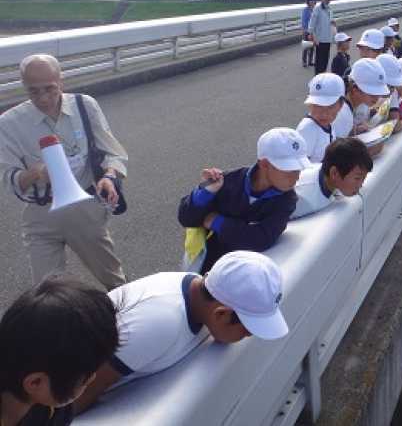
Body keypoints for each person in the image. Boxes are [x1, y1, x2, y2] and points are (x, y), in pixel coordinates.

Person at [74, 251, 289, 414]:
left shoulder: (199, 288)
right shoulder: (159, 324)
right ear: (221, 315)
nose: (249, 336)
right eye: (249, 328)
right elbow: (80, 392)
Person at [0, 54, 128, 290]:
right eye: (33, 91)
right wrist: (35, 173)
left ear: (61, 81)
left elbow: (113, 152)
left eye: (49, 88)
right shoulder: (9, 123)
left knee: (113, 280)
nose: (43, 98)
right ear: (24, 87)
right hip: (41, 214)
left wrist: (110, 176)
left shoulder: (84, 105)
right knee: (48, 291)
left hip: (85, 209)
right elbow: (9, 179)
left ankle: (127, 318)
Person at [177, 128, 309, 273]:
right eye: (290, 170)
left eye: (299, 169)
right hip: (203, 265)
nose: (297, 177)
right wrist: (206, 192)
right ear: (264, 164)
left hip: (239, 273)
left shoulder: (287, 200)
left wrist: (218, 222)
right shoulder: (228, 180)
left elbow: (261, 239)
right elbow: (186, 218)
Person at [0, 276, 119, 426]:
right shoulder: (49, 406)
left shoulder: (52, 410)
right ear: (36, 382)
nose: (92, 378)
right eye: (84, 378)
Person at [291, 138, 373, 219]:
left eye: (364, 178)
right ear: (335, 173)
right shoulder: (303, 201)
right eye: (357, 178)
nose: (361, 185)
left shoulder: (328, 178)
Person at [296, 73, 346, 164]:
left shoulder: (329, 123)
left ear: (341, 104)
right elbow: (300, 166)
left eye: (330, 106)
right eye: (317, 105)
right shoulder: (308, 128)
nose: (323, 113)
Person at [331, 59, 389, 137]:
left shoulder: (345, 106)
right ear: (355, 90)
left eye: (378, 92)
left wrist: (354, 130)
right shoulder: (342, 114)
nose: (377, 98)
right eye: (372, 93)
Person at [368, 54, 402, 133]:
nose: (391, 91)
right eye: (389, 86)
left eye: (393, 87)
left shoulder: (392, 93)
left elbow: (394, 125)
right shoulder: (363, 97)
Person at [308, 0, 336, 74]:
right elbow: (312, 23)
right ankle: (317, 79)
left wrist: (333, 23)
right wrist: (311, 35)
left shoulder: (330, 9)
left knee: (325, 61)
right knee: (319, 61)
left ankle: (323, 78)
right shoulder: (317, 8)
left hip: (328, 39)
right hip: (319, 40)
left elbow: (330, 22)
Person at [301, 0, 316, 68]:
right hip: (306, 31)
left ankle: (310, 61)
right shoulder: (305, 10)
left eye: (313, 0)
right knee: (306, 47)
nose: (312, 2)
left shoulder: (315, 9)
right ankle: (304, 61)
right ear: (308, 1)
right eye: (310, 0)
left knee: (312, 46)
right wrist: (306, 31)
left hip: (313, 31)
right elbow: (304, 22)